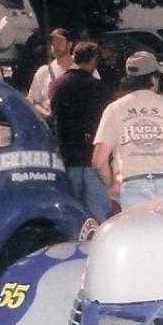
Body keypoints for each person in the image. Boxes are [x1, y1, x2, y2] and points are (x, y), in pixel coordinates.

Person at [93, 51, 163, 211]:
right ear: (153, 79)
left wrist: (112, 186)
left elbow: (98, 161)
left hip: (132, 188)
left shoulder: (114, 109)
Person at [50, 41, 114, 221]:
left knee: (73, 211)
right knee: (98, 211)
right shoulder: (99, 88)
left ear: (74, 57)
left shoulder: (56, 85)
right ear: (93, 60)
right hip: (93, 155)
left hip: (67, 155)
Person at [26, 28, 74, 118]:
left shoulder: (83, 69)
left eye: (59, 42)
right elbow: (33, 101)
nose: (55, 46)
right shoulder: (44, 71)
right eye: (52, 43)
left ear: (69, 45)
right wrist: (47, 114)